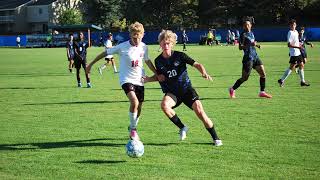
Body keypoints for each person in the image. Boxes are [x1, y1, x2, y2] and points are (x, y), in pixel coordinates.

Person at [143, 30, 223, 146]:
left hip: (186, 90)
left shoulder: (180, 55)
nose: (165, 46)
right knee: (164, 105)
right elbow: (160, 77)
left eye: (168, 43)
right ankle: (183, 127)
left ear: (172, 44)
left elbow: (197, 64)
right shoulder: (158, 61)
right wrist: (148, 79)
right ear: (160, 44)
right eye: (163, 43)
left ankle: (215, 138)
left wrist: (204, 73)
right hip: (172, 93)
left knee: (200, 112)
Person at [86, 22, 161, 141]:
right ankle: (133, 129)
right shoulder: (122, 46)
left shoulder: (144, 47)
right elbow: (105, 53)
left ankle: (133, 127)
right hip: (126, 79)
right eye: (134, 36)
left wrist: (156, 73)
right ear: (130, 35)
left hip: (140, 80)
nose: (136, 39)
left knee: (139, 106)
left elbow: (147, 61)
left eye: (139, 36)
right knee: (134, 102)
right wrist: (90, 64)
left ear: (143, 35)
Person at [229, 20, 272, 98]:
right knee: (245, 78)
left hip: (255, 56)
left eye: (248, 25)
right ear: (243, 26)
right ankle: (232, 89)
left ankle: (262, 92)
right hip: (248, 58)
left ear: (251, 25)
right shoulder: (243, 35)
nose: (247, 26)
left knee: (263, 74)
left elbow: (252, 43)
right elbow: (240, 47)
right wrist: (250, 44)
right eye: (245, 25)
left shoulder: (251, 33)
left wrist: (257, 45)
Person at [278, 19, 310, 87]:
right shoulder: (290, 32)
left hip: (298, 52)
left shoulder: (296, 32)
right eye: (292, 25)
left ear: (296, 25)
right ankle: (281, 80)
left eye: (294, 25)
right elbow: (289, 45)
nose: (293, 26)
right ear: (290, 26)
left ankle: (302, 81)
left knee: (301, 65)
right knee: (291, 68)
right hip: (294, 53)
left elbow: (296, 41)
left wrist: (299, 44)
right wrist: (298, 47)